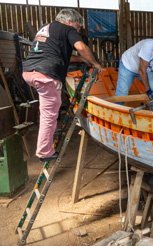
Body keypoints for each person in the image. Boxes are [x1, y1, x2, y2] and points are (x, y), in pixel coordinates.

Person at [22, 8, 103, 162]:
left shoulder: (46, 28)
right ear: (69, 21)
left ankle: (44, 148)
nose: (78, 30)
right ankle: (44, 152)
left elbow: (60, 54)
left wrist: (82, 60)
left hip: (29, 72)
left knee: (47, 110)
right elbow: (81, 47)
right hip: (46, 74)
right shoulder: (67, 28)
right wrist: (95, 63)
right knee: (49, 114)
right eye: (78, 26)